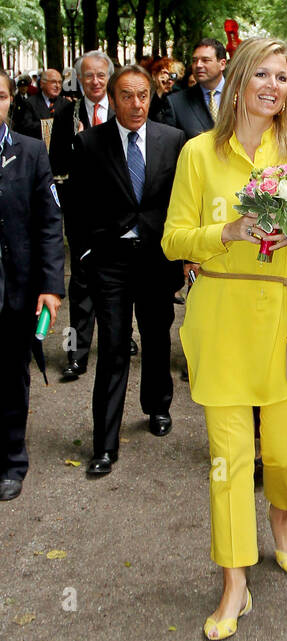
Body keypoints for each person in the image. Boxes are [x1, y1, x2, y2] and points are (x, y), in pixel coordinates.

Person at [161, 37, 287, 641]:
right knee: (228, 462)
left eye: (282, 77)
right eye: (261, 73)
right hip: (222, 318)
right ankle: (234, 580)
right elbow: (174, 240)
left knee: (284, 454)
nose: (273, 86)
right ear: (237, 80)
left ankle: (283, 517)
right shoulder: (197, 154)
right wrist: (229, 228)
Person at [66, 65, 185, 476]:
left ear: (151, 98)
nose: (136, 104)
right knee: (114, 347)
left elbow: (181, 202)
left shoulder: (173, 141)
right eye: (127, 96)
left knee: (156, 337)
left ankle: (157, 406)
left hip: (156, 258)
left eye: (143, 96)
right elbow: (75, 208)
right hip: (110, 263)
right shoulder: (88, 144)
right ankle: (104, 443)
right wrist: (84, 257)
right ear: (112, 99)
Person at [0, 70, 65, 500]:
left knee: (9, 376)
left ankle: (10, 461)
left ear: (9, 100)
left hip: (16, 289)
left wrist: (50, 284)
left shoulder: (28, 152)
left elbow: (47, 223)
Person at [49, 52, 115, 382]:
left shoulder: (123, 109)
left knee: (118, 283)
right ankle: (76, 352)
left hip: (119, 215)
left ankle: (120, 339)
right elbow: (57, 165)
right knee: (81, 286)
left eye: (101, 75)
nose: (95, 81)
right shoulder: (65, 115)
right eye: (88, 76)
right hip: (82, 217)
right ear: (80, 78)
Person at [164, 39, 227, 138]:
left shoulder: (243, 95)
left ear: (222, 64)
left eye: (205, 60)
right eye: (194, 61)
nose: (198, 65)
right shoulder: (176, 103)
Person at [13, 67, 65, 146]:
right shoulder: (29, 103)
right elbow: (25, 127)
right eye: (53, 82)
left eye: (60, 82)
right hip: (37, 149)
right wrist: (49, 124)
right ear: (42, 84)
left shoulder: (66, 104)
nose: (57, 86)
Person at [148, 57, 179, 123]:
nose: (169, 81)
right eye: (165, 74)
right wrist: (160, 90)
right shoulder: (146, 93)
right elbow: (149, 118)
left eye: (172, 76)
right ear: (154, 75)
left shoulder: (177, 95)